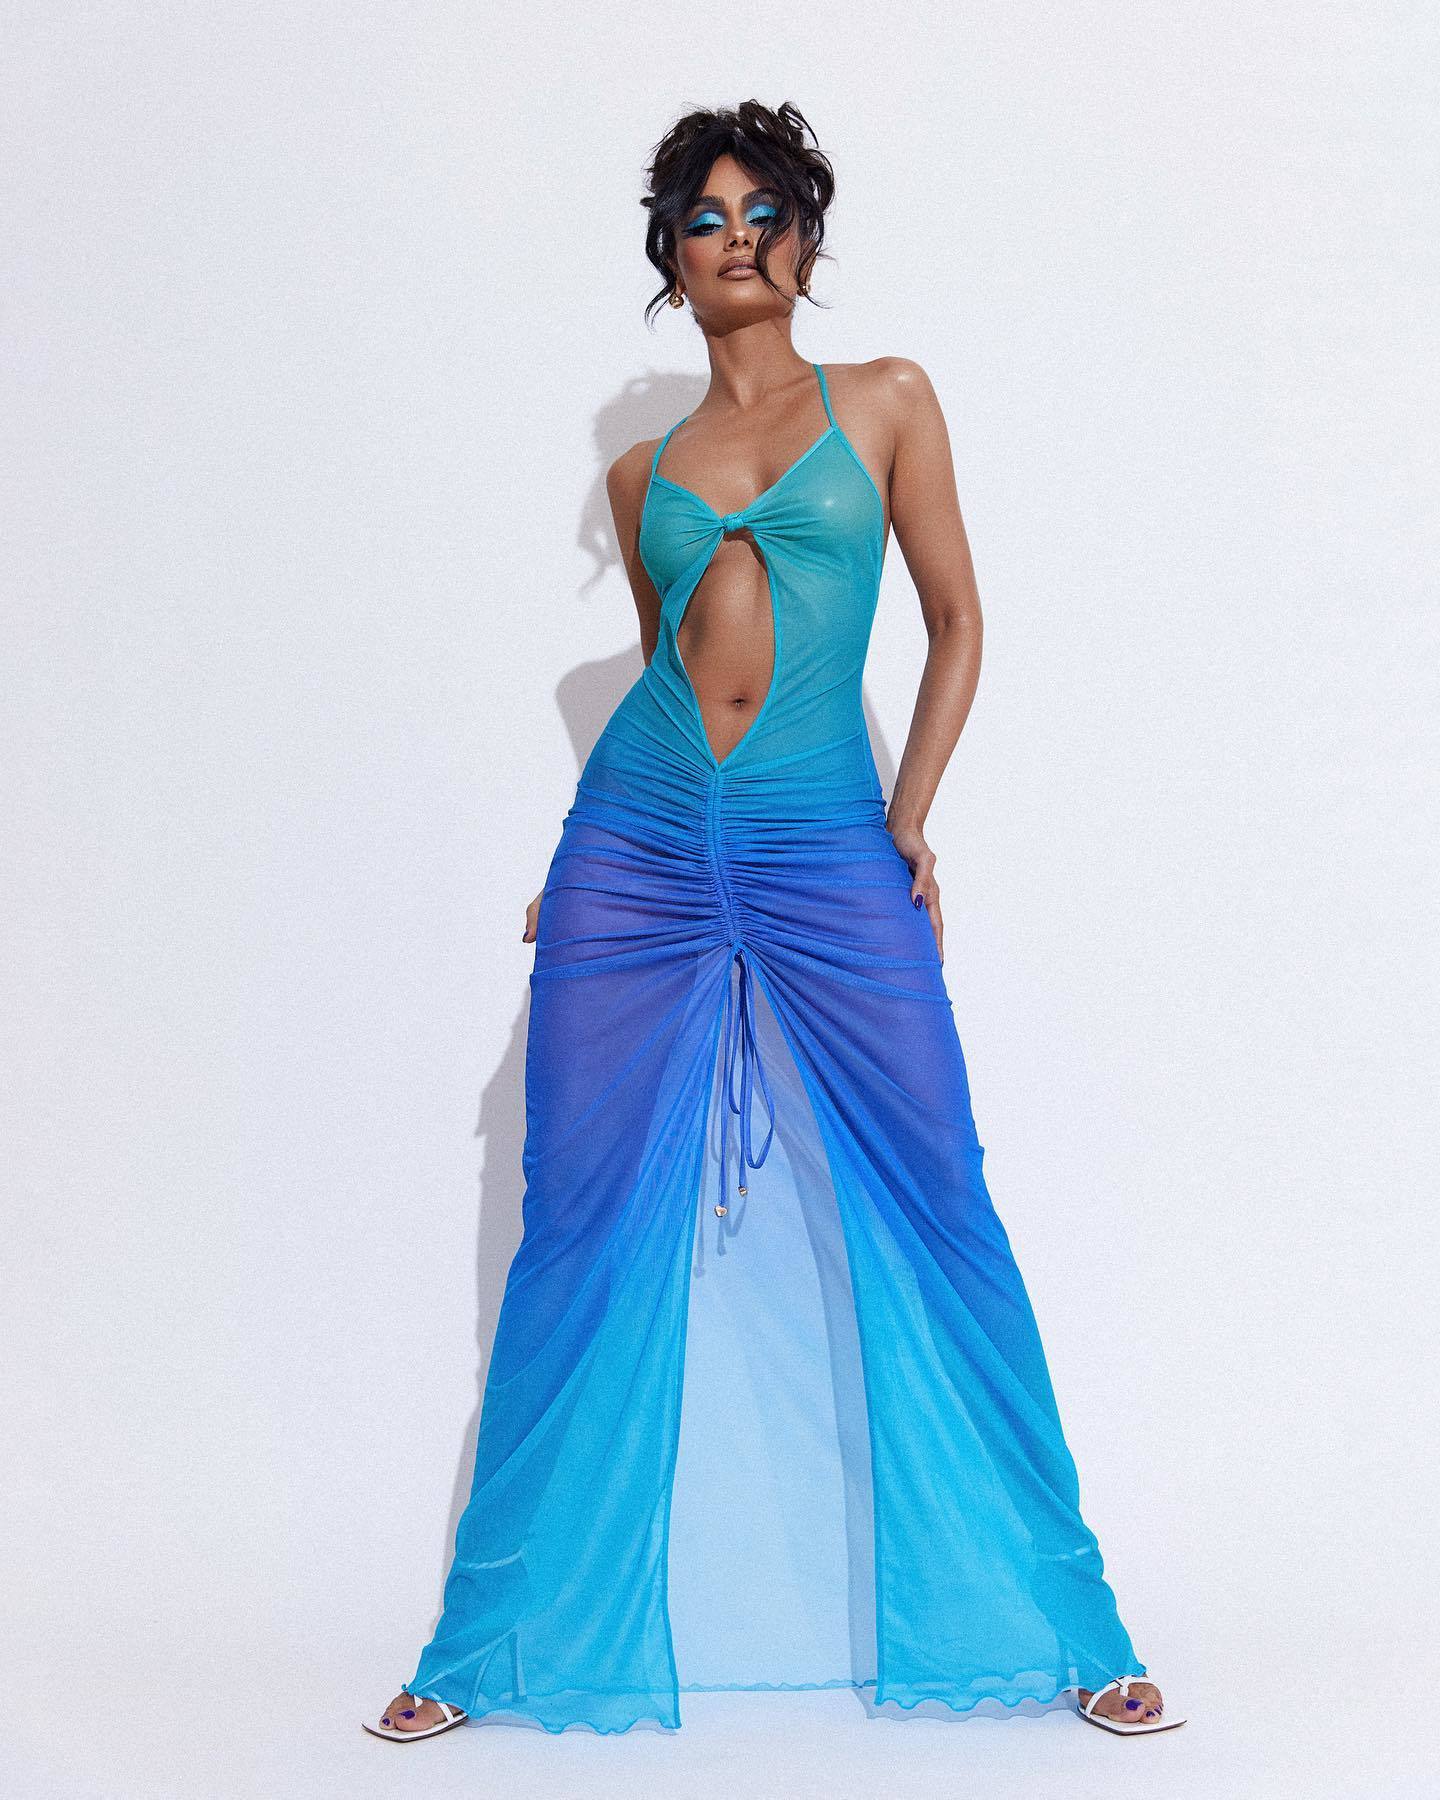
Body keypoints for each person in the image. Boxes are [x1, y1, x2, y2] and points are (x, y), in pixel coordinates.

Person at [365, 99, 1183, 1746]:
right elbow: (677, 661)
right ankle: (480, 1643)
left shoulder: (885, 401)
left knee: (941, 1197)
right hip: (639, 843)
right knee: (575, 1222)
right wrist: (586, 866)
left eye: (765, 213)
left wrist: (908, 822)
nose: (736, 238)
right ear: (669, 260)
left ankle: (1077, 1623)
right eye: (704, 217)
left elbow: (955, 620)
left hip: (823, 840)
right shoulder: (639, 473)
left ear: (805, 242)